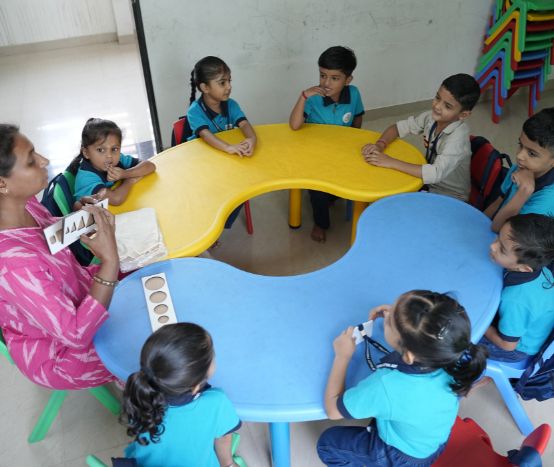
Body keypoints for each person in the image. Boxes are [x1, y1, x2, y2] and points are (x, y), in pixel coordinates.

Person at [0, 124, 118, 389]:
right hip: (59, 354)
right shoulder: (12, 264)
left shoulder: (23, 204)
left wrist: (83, 217)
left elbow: (47, 234)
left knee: (148, 275)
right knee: (147, 345)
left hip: (77, 289)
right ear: (1, 184)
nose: (45, 161)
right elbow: (76, 334)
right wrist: (109, 263)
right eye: (31, 160)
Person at [318, 290, 487, 466]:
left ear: (409, 355)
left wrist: (342, 356)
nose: (388, 313)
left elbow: (333, 410)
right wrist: (401, 318)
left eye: (390, 322)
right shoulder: (457, 355)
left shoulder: (386, 386)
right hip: (432, 444)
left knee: (327, 444)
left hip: (399, 456)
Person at [122, 323, 242, 467]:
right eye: (212, 356)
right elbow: (223, 439)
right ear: (195, 386)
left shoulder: (140, 394)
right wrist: (228, 463)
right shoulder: (216, 402)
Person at [362, 73, 481, 202]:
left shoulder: (458, 139)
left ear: (463, 115)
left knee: (393, 204)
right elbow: (397, 128)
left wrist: (390, 161)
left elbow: (435, 173)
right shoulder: (430, 117)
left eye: (447, 106)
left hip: (450, 195)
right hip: (427, 183)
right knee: (381, 181)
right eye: (437, 97)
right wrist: (380, 145)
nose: (437, 106)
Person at [289, 46, 365, 243]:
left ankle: (335, 194)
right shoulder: (313, 98)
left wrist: (354, 143)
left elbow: (358, 119)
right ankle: (321, 223)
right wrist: (303, 96)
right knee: (318, 189)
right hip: (316, 157)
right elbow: (295, 125)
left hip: (342, 154)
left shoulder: (354, 94)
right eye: (322, 75)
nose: (326, 82)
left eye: (334, 78)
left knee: (363, 174)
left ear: (348, 80)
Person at [187, 56, 257, 229]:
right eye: (222, 83)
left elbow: (245, 124)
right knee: (211, 192)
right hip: (203, 164)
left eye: (229, 81)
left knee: (245, 186)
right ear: (205, 87)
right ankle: (211, 223)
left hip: (226, 160)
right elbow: (205, 135)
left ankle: (221, 223)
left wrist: (252, 139)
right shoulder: (195, 111)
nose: (229, 87)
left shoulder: (231, 105)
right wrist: (229, 147)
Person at [481, 214, 554, 362]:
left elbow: (508, 346)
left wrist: (483, 325)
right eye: (498, 238)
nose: (492, 246)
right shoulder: (541, 270)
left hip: (518, 350)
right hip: (525, 326)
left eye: (501, 249)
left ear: (524, 268)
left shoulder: (515, 300)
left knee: (457, 340)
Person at [484, 108, 554, 232]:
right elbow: (498, 202)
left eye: (531, 153)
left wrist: (524, 191)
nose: (519, 156)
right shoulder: (522, 167)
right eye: (520, 145)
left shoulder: (547, 202)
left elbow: (502, 231)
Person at [70, 118, 156, 206]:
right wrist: (130, 179)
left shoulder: (118, 159)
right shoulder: (86, 177)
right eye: (101, 150)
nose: (109, 155)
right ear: (86, 153)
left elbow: (150, 166)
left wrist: (126, 173)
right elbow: (116, 199)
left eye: (114, 149)